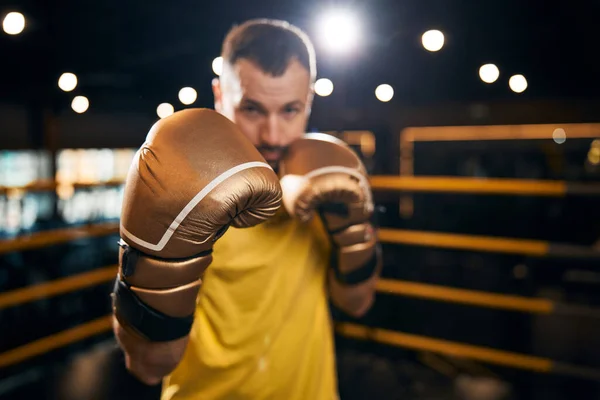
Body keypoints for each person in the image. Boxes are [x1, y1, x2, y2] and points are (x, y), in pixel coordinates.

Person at [111, 18, 382, 400]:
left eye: (290, 110)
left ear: (309, 102)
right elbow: (147, 366)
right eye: (252, 109)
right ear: (220, 95)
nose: (272, 135)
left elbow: (357, 303)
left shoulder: (326, 177)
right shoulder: (183, 181)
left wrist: (353, 233)